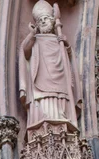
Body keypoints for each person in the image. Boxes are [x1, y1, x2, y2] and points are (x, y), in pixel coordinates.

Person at [19, 0, 81, 128]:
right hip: (40, 83)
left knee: (60, 101)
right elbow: (25, 50)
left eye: (46, 18)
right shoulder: (35, 40)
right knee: (44, 104)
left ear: (53, 21)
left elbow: (69, 60)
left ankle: (63, 120)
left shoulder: (59, 41)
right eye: (40, 20)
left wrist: (67, 45)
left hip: (60, 83)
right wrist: (31, 34)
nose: (42, 21)